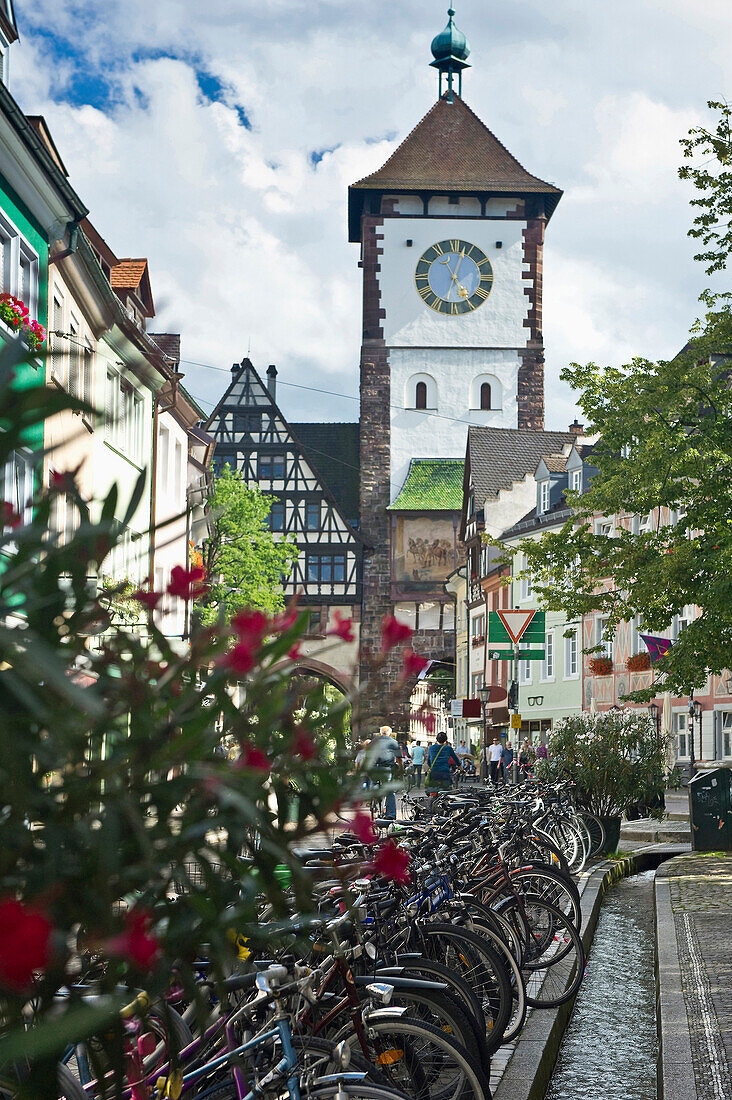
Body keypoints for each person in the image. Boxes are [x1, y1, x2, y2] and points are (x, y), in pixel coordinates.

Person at [367, 725, 402, 819]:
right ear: (390, 734)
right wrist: (401, 768)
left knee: (374, 783)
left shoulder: (373, 742)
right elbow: (399, 758)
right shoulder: (393, 742)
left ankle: (373, 799)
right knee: (390, 791)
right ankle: (390, 814)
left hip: (374, 768)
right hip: (386, 769)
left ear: (379, 734)